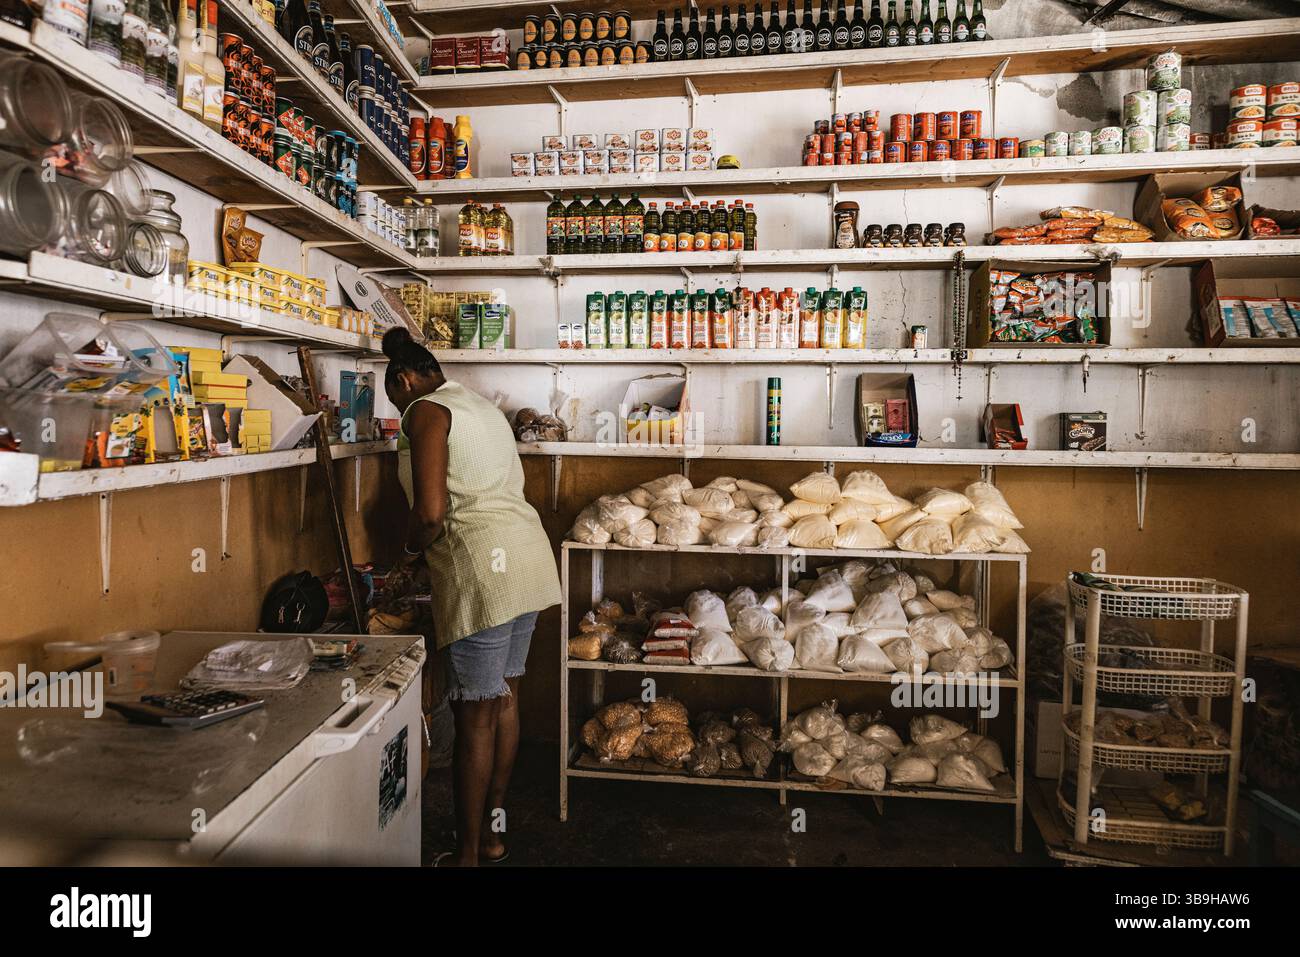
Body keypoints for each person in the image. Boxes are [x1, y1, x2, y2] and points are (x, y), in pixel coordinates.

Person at [382, 327, 561, 866]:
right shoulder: (476, 404)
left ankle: (465, 856)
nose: (398, 412)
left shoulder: (427, 411)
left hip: (484, 571)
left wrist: (411, 552)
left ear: (406, 380)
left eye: (395, 399)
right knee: (502, 698)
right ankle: (492, 835)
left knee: (474, 716)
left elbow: (432, 513)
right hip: (527, 561)